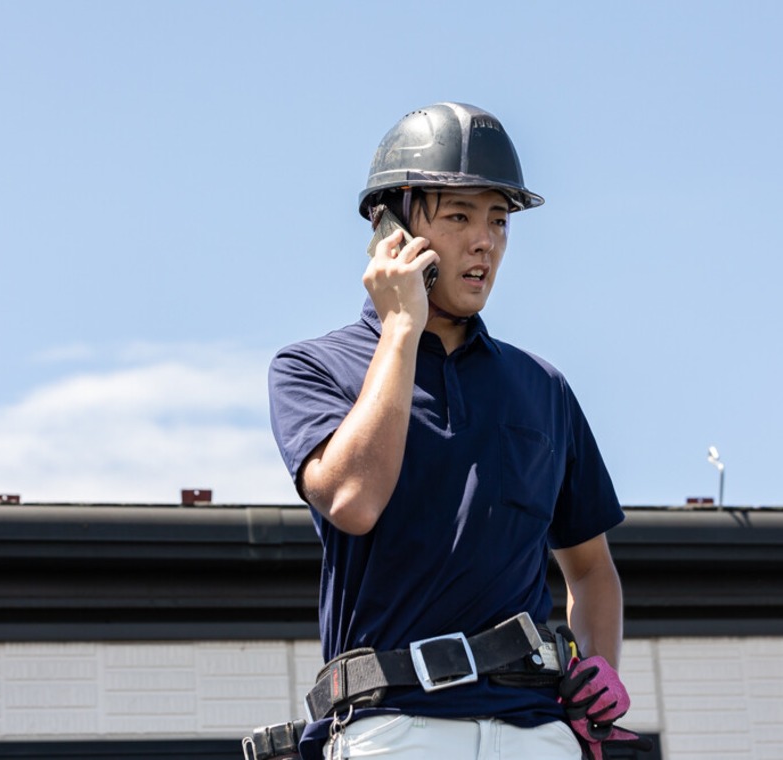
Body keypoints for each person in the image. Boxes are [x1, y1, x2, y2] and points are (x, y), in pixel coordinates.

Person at [268, 102, 644, 760]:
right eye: (459, 216)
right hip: (393, 731)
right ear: (391, 228)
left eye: (498, 219)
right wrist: (401, 326)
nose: (485, 242)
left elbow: (591, 570)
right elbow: (353, 501)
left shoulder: (544, 388)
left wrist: (601, 666)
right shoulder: (311, 368)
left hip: (538, 736)